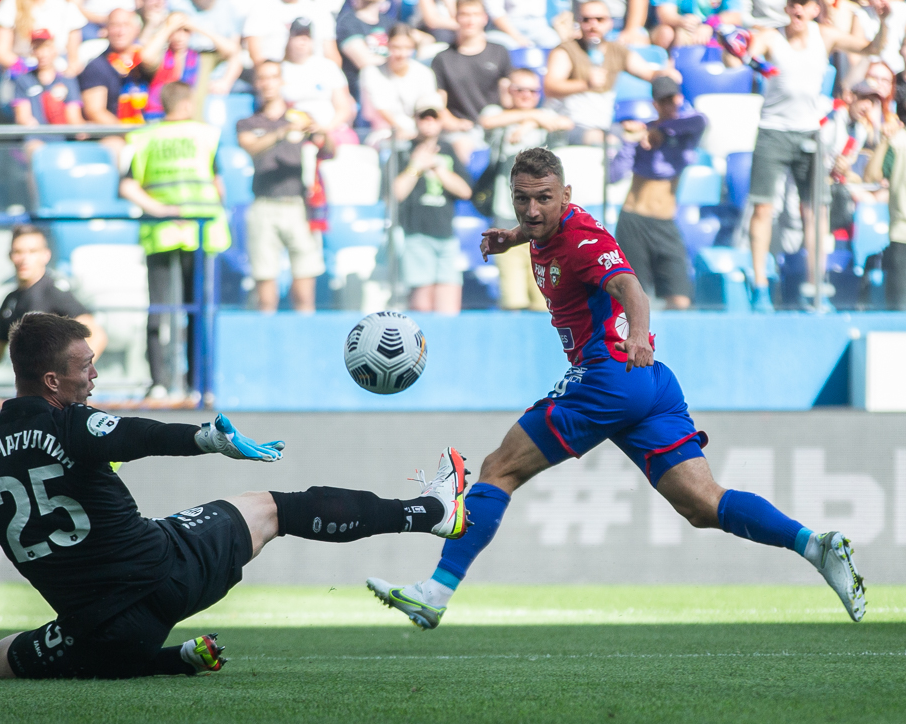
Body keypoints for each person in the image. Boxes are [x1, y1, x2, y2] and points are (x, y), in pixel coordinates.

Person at [0, 312, 471, 680]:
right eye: (83, 366)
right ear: (51, 382)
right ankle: (432, 513)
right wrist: (210, 438)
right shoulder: (70, 424)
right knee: (271, 507)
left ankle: (170, 660)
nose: (91, 375)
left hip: (99, 629)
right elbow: (138, 433)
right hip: (168, 573)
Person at [367, 147, 867, 629]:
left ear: (567, 194)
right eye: (522, 198)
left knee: (498, 469)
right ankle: (814, 545)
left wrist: (634, 333)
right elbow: (543, 233)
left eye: (543, 198)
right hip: (648, 385)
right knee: (701, 503)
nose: (532, 209)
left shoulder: (586, 241)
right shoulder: (548, 227)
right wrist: (512, 238)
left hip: (610, 372)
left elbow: (631, 287)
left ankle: (436, 592)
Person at [745, 0, 889, 311]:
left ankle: (816, 289)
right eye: (793, 4)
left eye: (804, 5)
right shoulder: (772, 36)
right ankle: (760, 287)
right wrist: (749, 55)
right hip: (772, 131)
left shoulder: (825, 35)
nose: (798, 11)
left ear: (814, 9)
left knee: (816, 211)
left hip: (810, 133)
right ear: (787, 8)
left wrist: (885, 21)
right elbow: (751, 52)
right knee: (762, 208)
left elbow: (871, 48)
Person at [118, 81, 229, 400]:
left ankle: (159, 383)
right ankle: (199, 385)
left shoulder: (142, 137)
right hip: (201, 229)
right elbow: (218, 184)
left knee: (159, 309)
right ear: (187, 103)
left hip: (161, 228)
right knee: (197, 310)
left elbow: (127, 186)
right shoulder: (207, 135)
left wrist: (161, 210)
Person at [237, 61, 329, 313]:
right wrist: (283, 130)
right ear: (257, 83)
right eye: (262, 78)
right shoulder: (248, 122)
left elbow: (329, 150)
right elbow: (251, 146)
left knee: (304, 294)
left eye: (272, 77)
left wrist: (321, 131)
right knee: (265, 294)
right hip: (264, 205)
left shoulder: (301, 116)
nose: (267, 83)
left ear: (281, 81)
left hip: (297, 205)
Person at [608, 76, 706, 309]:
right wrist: (632, 141)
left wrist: (658, 130)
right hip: (635, 220)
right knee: (636, 300)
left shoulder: (683, 131)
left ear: (680, 99)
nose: (670, 106)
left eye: (673, 100)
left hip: (664, 222)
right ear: (655, 104)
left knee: (680, 299)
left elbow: (700, 121)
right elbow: (614, 176)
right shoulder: (642, 135)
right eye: (663, 102)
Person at [479, 69, 573, 311]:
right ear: (509, 91)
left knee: (543, 300)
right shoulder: (498, 114)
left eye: (532, 91)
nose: (526, 95)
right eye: (519, 90)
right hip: (507, 213)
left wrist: (530, 120)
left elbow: (567, 122)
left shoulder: (544, 116)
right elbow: (487, 122)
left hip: (543, 221)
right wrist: (533, 117)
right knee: (513, 298)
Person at [544, 0, 678, 145]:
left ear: (610, 23)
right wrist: (585, 84)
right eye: (586, 20)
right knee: (608, 142)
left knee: (643, 135)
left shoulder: (616, 51)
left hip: (603, 125)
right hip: (568, 125)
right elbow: (550, 87)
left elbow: (648, 73)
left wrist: (665, 73)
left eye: (599, 19)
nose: (593, 24)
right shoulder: (566, 50)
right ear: (579, 22)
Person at [390, 97, 474, 313]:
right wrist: (415, 167)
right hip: (415, 233)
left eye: (433, 116)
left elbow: (465, 192)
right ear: (415, 119)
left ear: (440, 120)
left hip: (445, 234)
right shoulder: (402, 150)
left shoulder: (448, 150)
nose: (428, 121)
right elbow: (394, 194)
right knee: (421, 303)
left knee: (449, 301)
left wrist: (440, 170)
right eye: (423, 116)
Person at [0, 225, 108, 366]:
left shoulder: (53, 292)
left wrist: (71, 375)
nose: (24, 259)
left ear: (46, 255)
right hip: (27, 385)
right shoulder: (11, 301)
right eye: (18, 252)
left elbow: (97, 336)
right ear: (10, 256)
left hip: (52, 385)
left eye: (32, 251)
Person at [430, 0, 515, 162]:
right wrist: (456, 124)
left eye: (475, 15)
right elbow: (439, 105)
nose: (470, 20)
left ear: (484, 18)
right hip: (462, 129)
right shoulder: (443, 59)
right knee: (462, 148)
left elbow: (508, 98)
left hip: (495, 123)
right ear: (456, 18)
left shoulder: (499, 52)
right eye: (465, 15)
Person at [281, 18, 358, 140]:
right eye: (298, 35)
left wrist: (326, 129)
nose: (303, 40)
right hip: (295, 131)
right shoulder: (280, 70)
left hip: (331, 129)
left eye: (307, 36)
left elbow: (343, 108)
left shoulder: (328, 67)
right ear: (289, 38)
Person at [12, 29, 86, 156]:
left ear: (54, 50)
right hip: (37, 140)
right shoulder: (23, 80)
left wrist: (80, 131)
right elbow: (23, 117)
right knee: (36, 151)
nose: (42, 54)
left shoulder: (67, 80)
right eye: (37, 48)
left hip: (64, 140)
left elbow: (74, 116)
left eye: (46, 47)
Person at [361, 23, 439, 141]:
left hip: (418, 133)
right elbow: (380, 109)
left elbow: (428, 107)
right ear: (388, 46)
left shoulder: (424, 73)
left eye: (407, 48)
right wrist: (400, 130)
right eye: (396, 47)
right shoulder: (372, 72)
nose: (401, 54)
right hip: (383, 134)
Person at [866, 81, 906, 308]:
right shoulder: (898, 142)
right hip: (902, 236)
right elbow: (873, 175)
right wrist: (884, 141)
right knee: (900, 310)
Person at [79, 8, 149, 127]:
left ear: (137, 29)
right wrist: (128, 132)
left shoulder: (145, 61)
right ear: (106, 30)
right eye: (115, 25)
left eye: (126, 25)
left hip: (149, 128)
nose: (120, 31)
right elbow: (95, 111)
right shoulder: (96, 67)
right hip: (116, 134)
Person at [0, 0, 88, 78]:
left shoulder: (65, 5)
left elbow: (74, 61)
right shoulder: (10, 4)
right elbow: (0, 52)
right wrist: (29, 70)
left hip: (58, 73)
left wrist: (61, 78)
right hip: (23, 73)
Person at [243, 0, 342, 68]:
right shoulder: (261, 9)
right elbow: (255, 55)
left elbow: (332, 56)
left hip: (315, 79)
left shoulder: (319, 11)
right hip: (278, 80)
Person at [336, 0, 392, 110]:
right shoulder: (348, 21)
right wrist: (396, 59)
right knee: (370, 72)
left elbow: (414, 41)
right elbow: (364, 61)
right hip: (363, 91)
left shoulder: (388, 22)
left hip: (391, 80)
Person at [652, 0, 744, 49]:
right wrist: (683, 21)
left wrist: (709, 24)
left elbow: (735, 16)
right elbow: (666, 14)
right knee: (668, 33)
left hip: (715, 29)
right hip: (682, 28)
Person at [484, 0, 564, 48]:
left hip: (539, 24)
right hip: (507, 27)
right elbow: (495, 12)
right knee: (506, 46)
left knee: (556, 45)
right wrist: (518, 37)